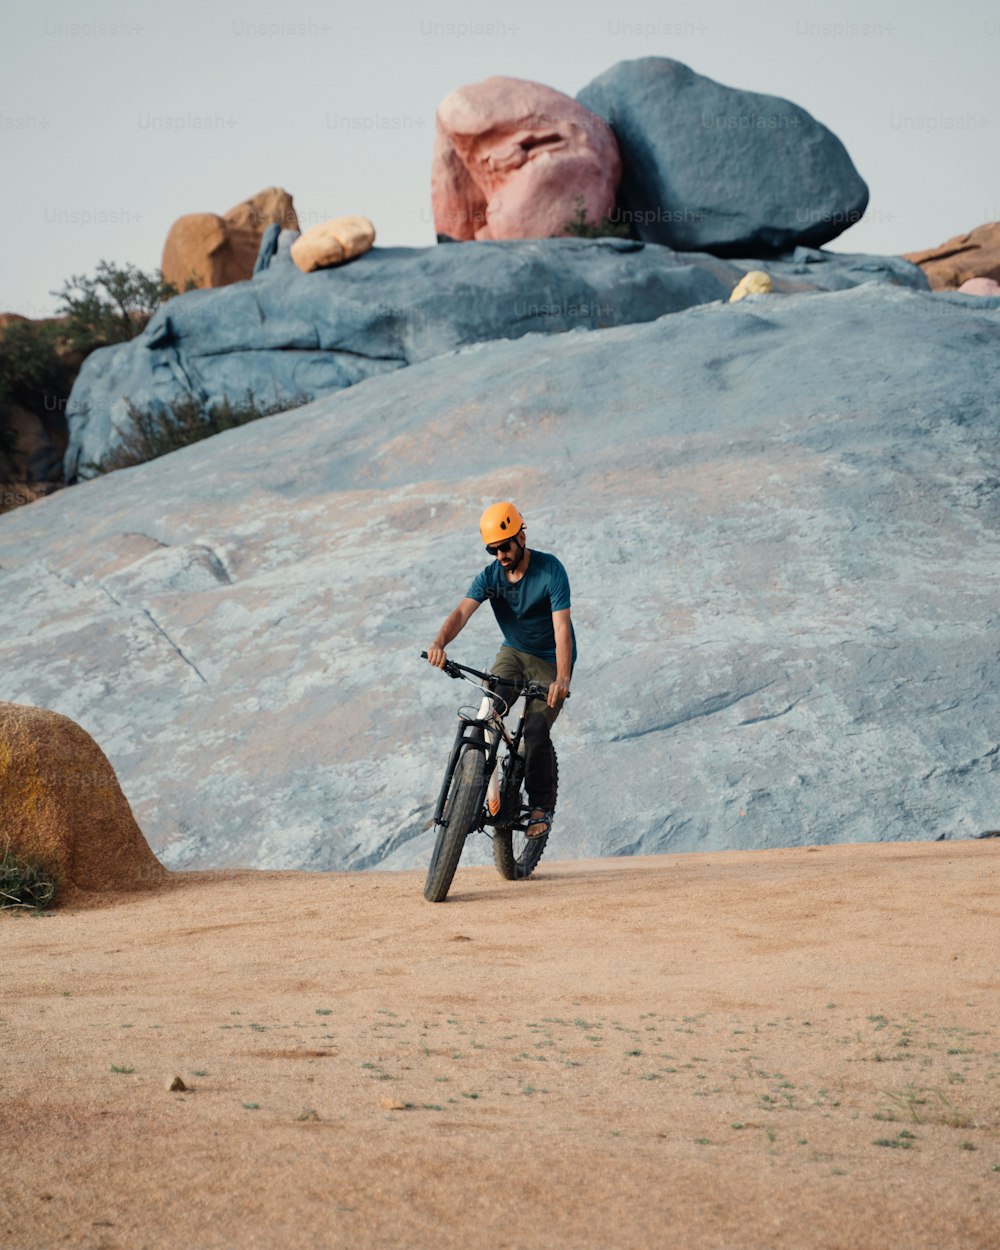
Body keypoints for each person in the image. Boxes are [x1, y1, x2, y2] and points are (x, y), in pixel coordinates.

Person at [426, 502, 576, 840]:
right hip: (513, 653)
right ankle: (468, 789)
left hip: (550, 660)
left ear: (521, 537)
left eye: (505, 545)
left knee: (535, 732)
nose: (500, 554)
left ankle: (541, 805)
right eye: (493, 549)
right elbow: (462, 613)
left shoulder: (551, 571)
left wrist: (563, 678)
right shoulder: (491, 576)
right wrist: (439, 644)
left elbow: (562, 629)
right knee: (485, 713)